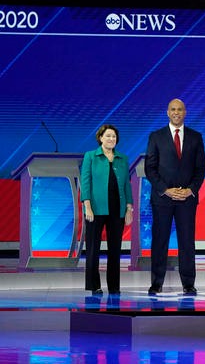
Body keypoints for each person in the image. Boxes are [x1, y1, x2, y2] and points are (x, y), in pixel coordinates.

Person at [145, 98, 205, 296]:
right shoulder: (156, 136)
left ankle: (188, 283)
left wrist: (190, 190)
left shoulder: (196, 137)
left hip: (187, 199)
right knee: (160, 240)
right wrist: (166, 189)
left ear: (185, 112)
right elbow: (150, 168)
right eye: (173, 109)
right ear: (167, 112)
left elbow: (200, 169)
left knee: (187, 241)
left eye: (180, 109)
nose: (176, 112)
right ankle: (156, 283)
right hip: (163, 198)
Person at [80, 124, 134, 295]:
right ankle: (94, 285)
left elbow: (126, 185)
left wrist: (129, 209)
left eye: (114, 137)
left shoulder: (122, 158)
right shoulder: (90, 156)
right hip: (95, 209)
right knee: (93, 249)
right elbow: (85, 182)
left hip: (117, 209)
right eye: (108, 136)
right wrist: (87, 206)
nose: (111, 139)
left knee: (115, 250)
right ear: (100, 138)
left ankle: (114, 286)